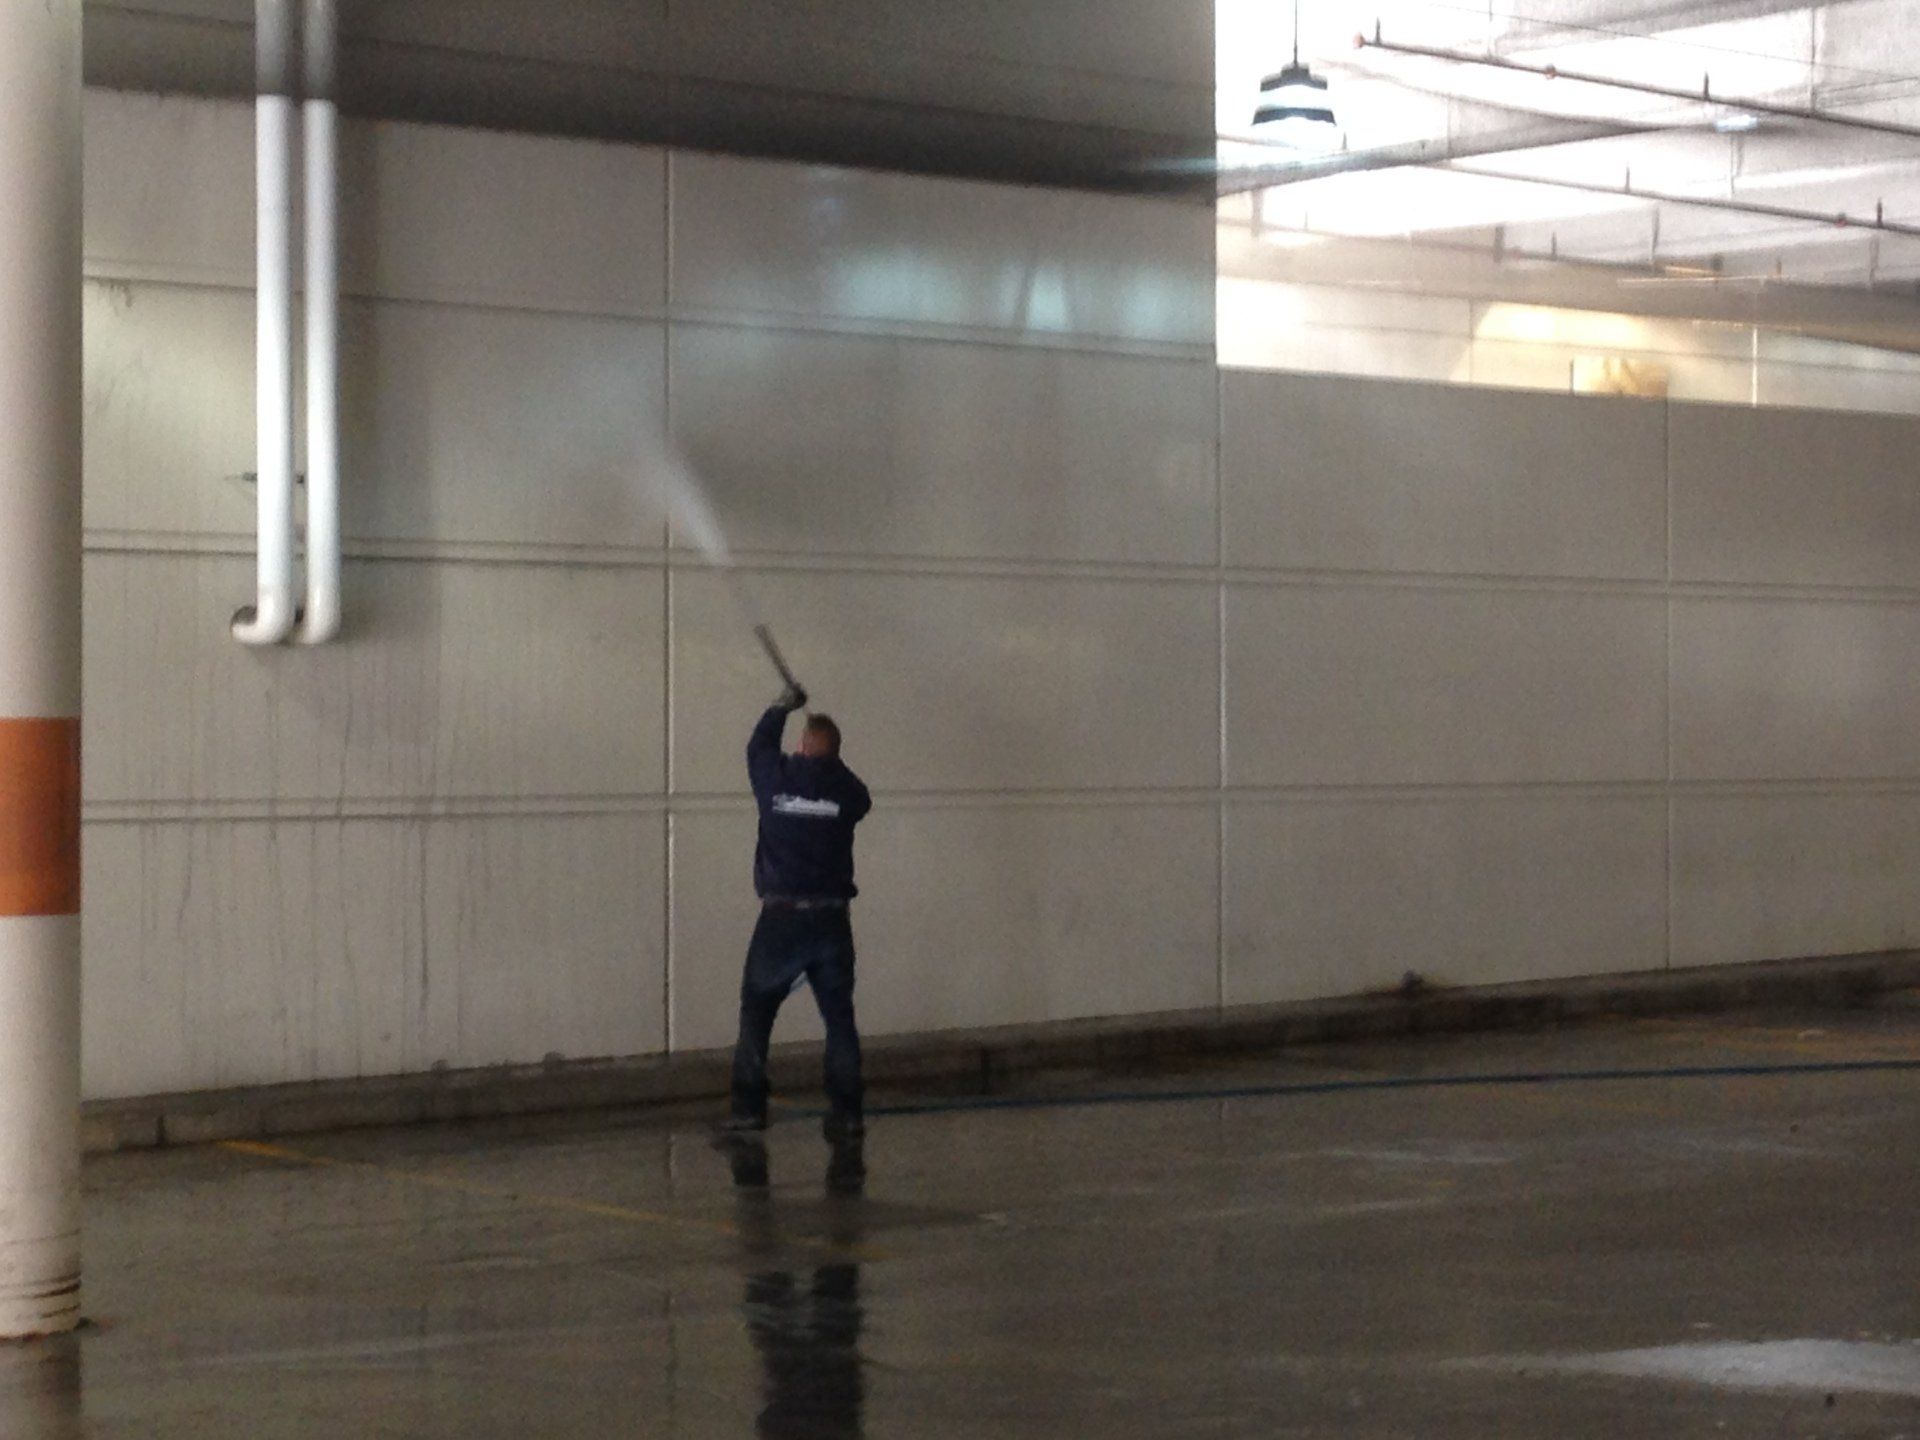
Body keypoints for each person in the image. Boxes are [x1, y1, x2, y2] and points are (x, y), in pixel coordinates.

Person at [726, 682, 872, 1138]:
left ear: (803, 746)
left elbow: (758, 747)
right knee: (839, 1018)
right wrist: (828, 762)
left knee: (756, 1010)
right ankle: (847, 1113)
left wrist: (780, 706)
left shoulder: (776, 781)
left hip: (782, 919)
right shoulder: (845, 795)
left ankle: (749, 1109)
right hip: (831, 920)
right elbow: (860, 796)